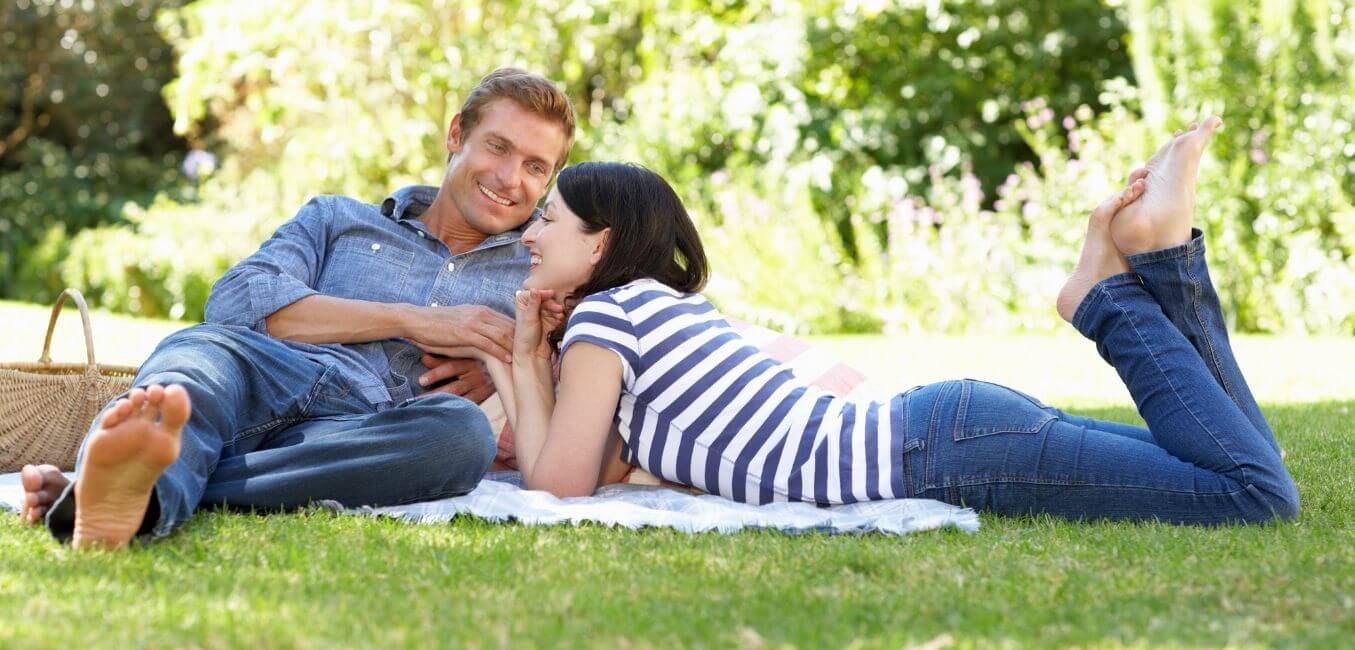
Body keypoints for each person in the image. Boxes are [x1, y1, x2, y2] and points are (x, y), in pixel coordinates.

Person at [447, 116, 1300, 525]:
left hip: (945, 449)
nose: (531, 232)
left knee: (1251, 495)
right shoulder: (639, 310)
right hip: (948, 430)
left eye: (550, 219)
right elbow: (580, 463)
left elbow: (555, 487)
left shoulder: (609, 323)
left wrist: (527, 358)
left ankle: (1106, 300)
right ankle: (1165, 259)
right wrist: (524, 353)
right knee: (1227, 465)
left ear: (599, 245)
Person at [18, 68, 576, 548]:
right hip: (263, 375)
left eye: (535, 167)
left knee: (460, 437)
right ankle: (133, 492)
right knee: (200, 356)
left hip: (369, 430)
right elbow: (235, 301)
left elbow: (579, 365)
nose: (510, 179)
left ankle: (135, 491)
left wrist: (499, 366)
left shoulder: (545, 262)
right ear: (457, 134)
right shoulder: (339, 218)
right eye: (498, 147)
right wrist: (415, 320)